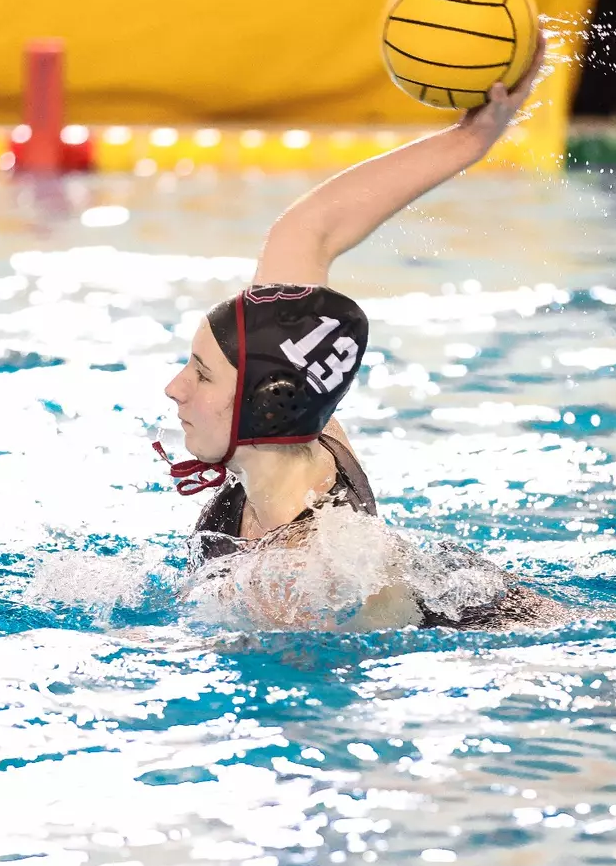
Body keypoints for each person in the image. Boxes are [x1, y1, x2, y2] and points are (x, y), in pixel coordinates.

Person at [159, 36, 564, 631]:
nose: (174, 389)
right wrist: (472, 138)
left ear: (267, 405)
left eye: (201, 373)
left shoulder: (303, 581)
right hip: (472, 588)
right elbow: (309, 230)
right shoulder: (301, 435)